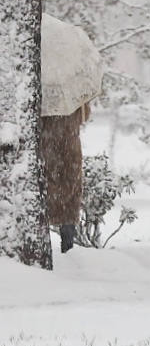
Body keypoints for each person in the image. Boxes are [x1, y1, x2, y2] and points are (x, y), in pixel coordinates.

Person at [42, 103, 90, 253]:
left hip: (45, 147)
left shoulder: (41, 95)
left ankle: (43, 249)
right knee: (69, 199)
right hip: (69, 149)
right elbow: (85, 116)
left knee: (44, 197)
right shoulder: (74, 95)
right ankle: (68, 248)